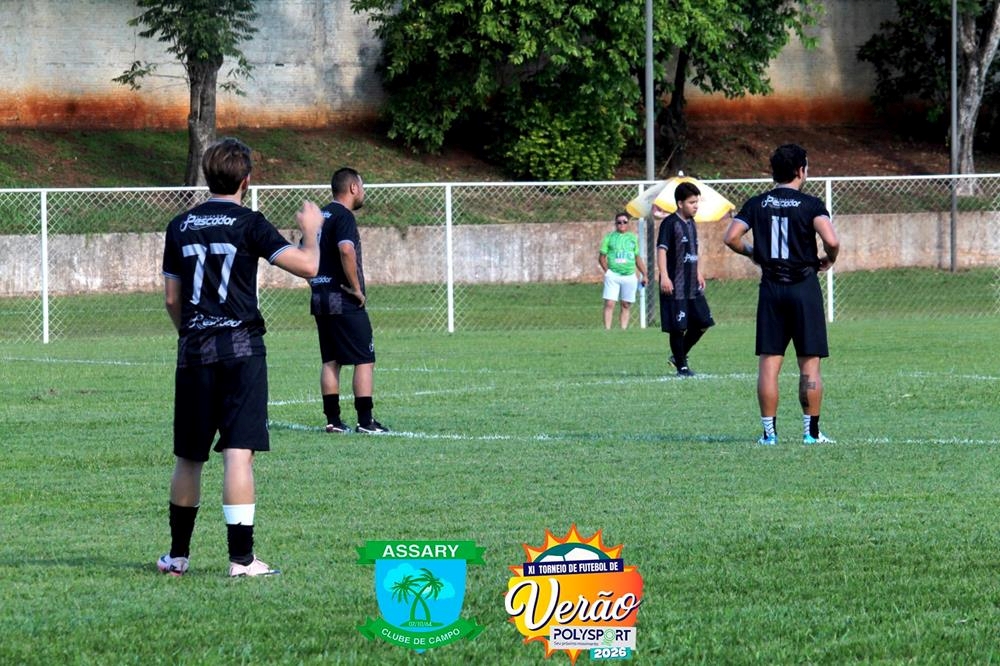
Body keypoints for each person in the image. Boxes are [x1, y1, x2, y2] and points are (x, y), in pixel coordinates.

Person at [158, 137, 323, 577]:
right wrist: (312, 229)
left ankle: (177, 557)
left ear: (206, 176)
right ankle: (241, 560)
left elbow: (172, 299)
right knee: (237, 453)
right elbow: (308, 266)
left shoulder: (179, 225)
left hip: (195, 352)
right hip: (242, 350)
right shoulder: (250, 222)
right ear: (246, 181)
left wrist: (191, 335)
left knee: (189, 456)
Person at [723, 143, 840, 446]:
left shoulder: (757, 203)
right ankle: (811, 433)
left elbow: (731, 237)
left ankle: (769, 434)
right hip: (804, 288)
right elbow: (831, 240)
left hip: (771, 289)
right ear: (801, 170)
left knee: (769, 363)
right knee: (809, 364)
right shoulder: (811, 204)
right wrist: (829, 259)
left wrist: (753, 252)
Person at [311, 167, 389, 434]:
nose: (363, 192)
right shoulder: (343, 215)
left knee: (331, 360)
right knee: (364, 357)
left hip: (320, 297)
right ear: (353, 187)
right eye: (362, 187)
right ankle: (365, 421)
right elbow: (346, 249)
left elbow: (303, 251)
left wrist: (315, 281)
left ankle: (333, 421)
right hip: (342, 297)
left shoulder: (319, 216)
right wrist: (356, 288)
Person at [656, 182, 714, 377]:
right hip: (675, 284)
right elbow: (662, 250)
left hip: (692, 284)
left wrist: (698, 272)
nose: (696, 206)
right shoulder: (670, 223)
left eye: (697, 202)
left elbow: (693, 251)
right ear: (680, 203)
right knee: (678, 327)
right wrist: (664, 276)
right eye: (691, 202)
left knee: (704, 322)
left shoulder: (692, 223)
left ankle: (678, 356)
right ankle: (682, 367)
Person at [598, 212, 648, 330]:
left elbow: (637, 258)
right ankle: (607, 330)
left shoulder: (632, 238)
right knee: (610, 303)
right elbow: (602, 257)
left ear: (628, 223)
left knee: (626, 304)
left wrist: (644, 274)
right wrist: (608, 272)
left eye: (624, 222)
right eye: (619, 222)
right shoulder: (609, 237)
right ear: (615, 224)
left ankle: (623, 330)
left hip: (629, 275)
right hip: (613, 275)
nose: (622, 224)